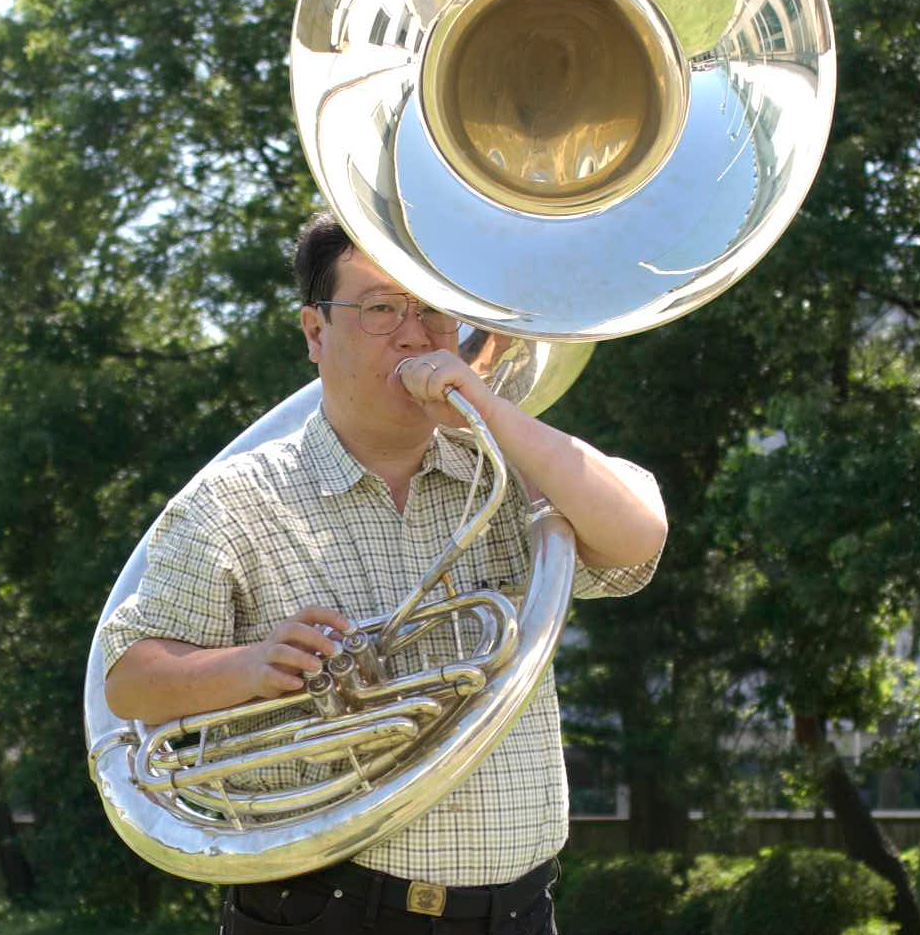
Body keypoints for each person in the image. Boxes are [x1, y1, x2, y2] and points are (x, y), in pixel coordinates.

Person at [101, 212, 668, 935]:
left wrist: (487, 407)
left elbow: (638, 536)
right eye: (379, 308)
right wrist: (252, 664)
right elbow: (130, 681)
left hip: (518, 913)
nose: (414, 331)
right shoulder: (231, 500)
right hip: (321, 911)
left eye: (433, 308)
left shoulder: (507, 477)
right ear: (315, 331)